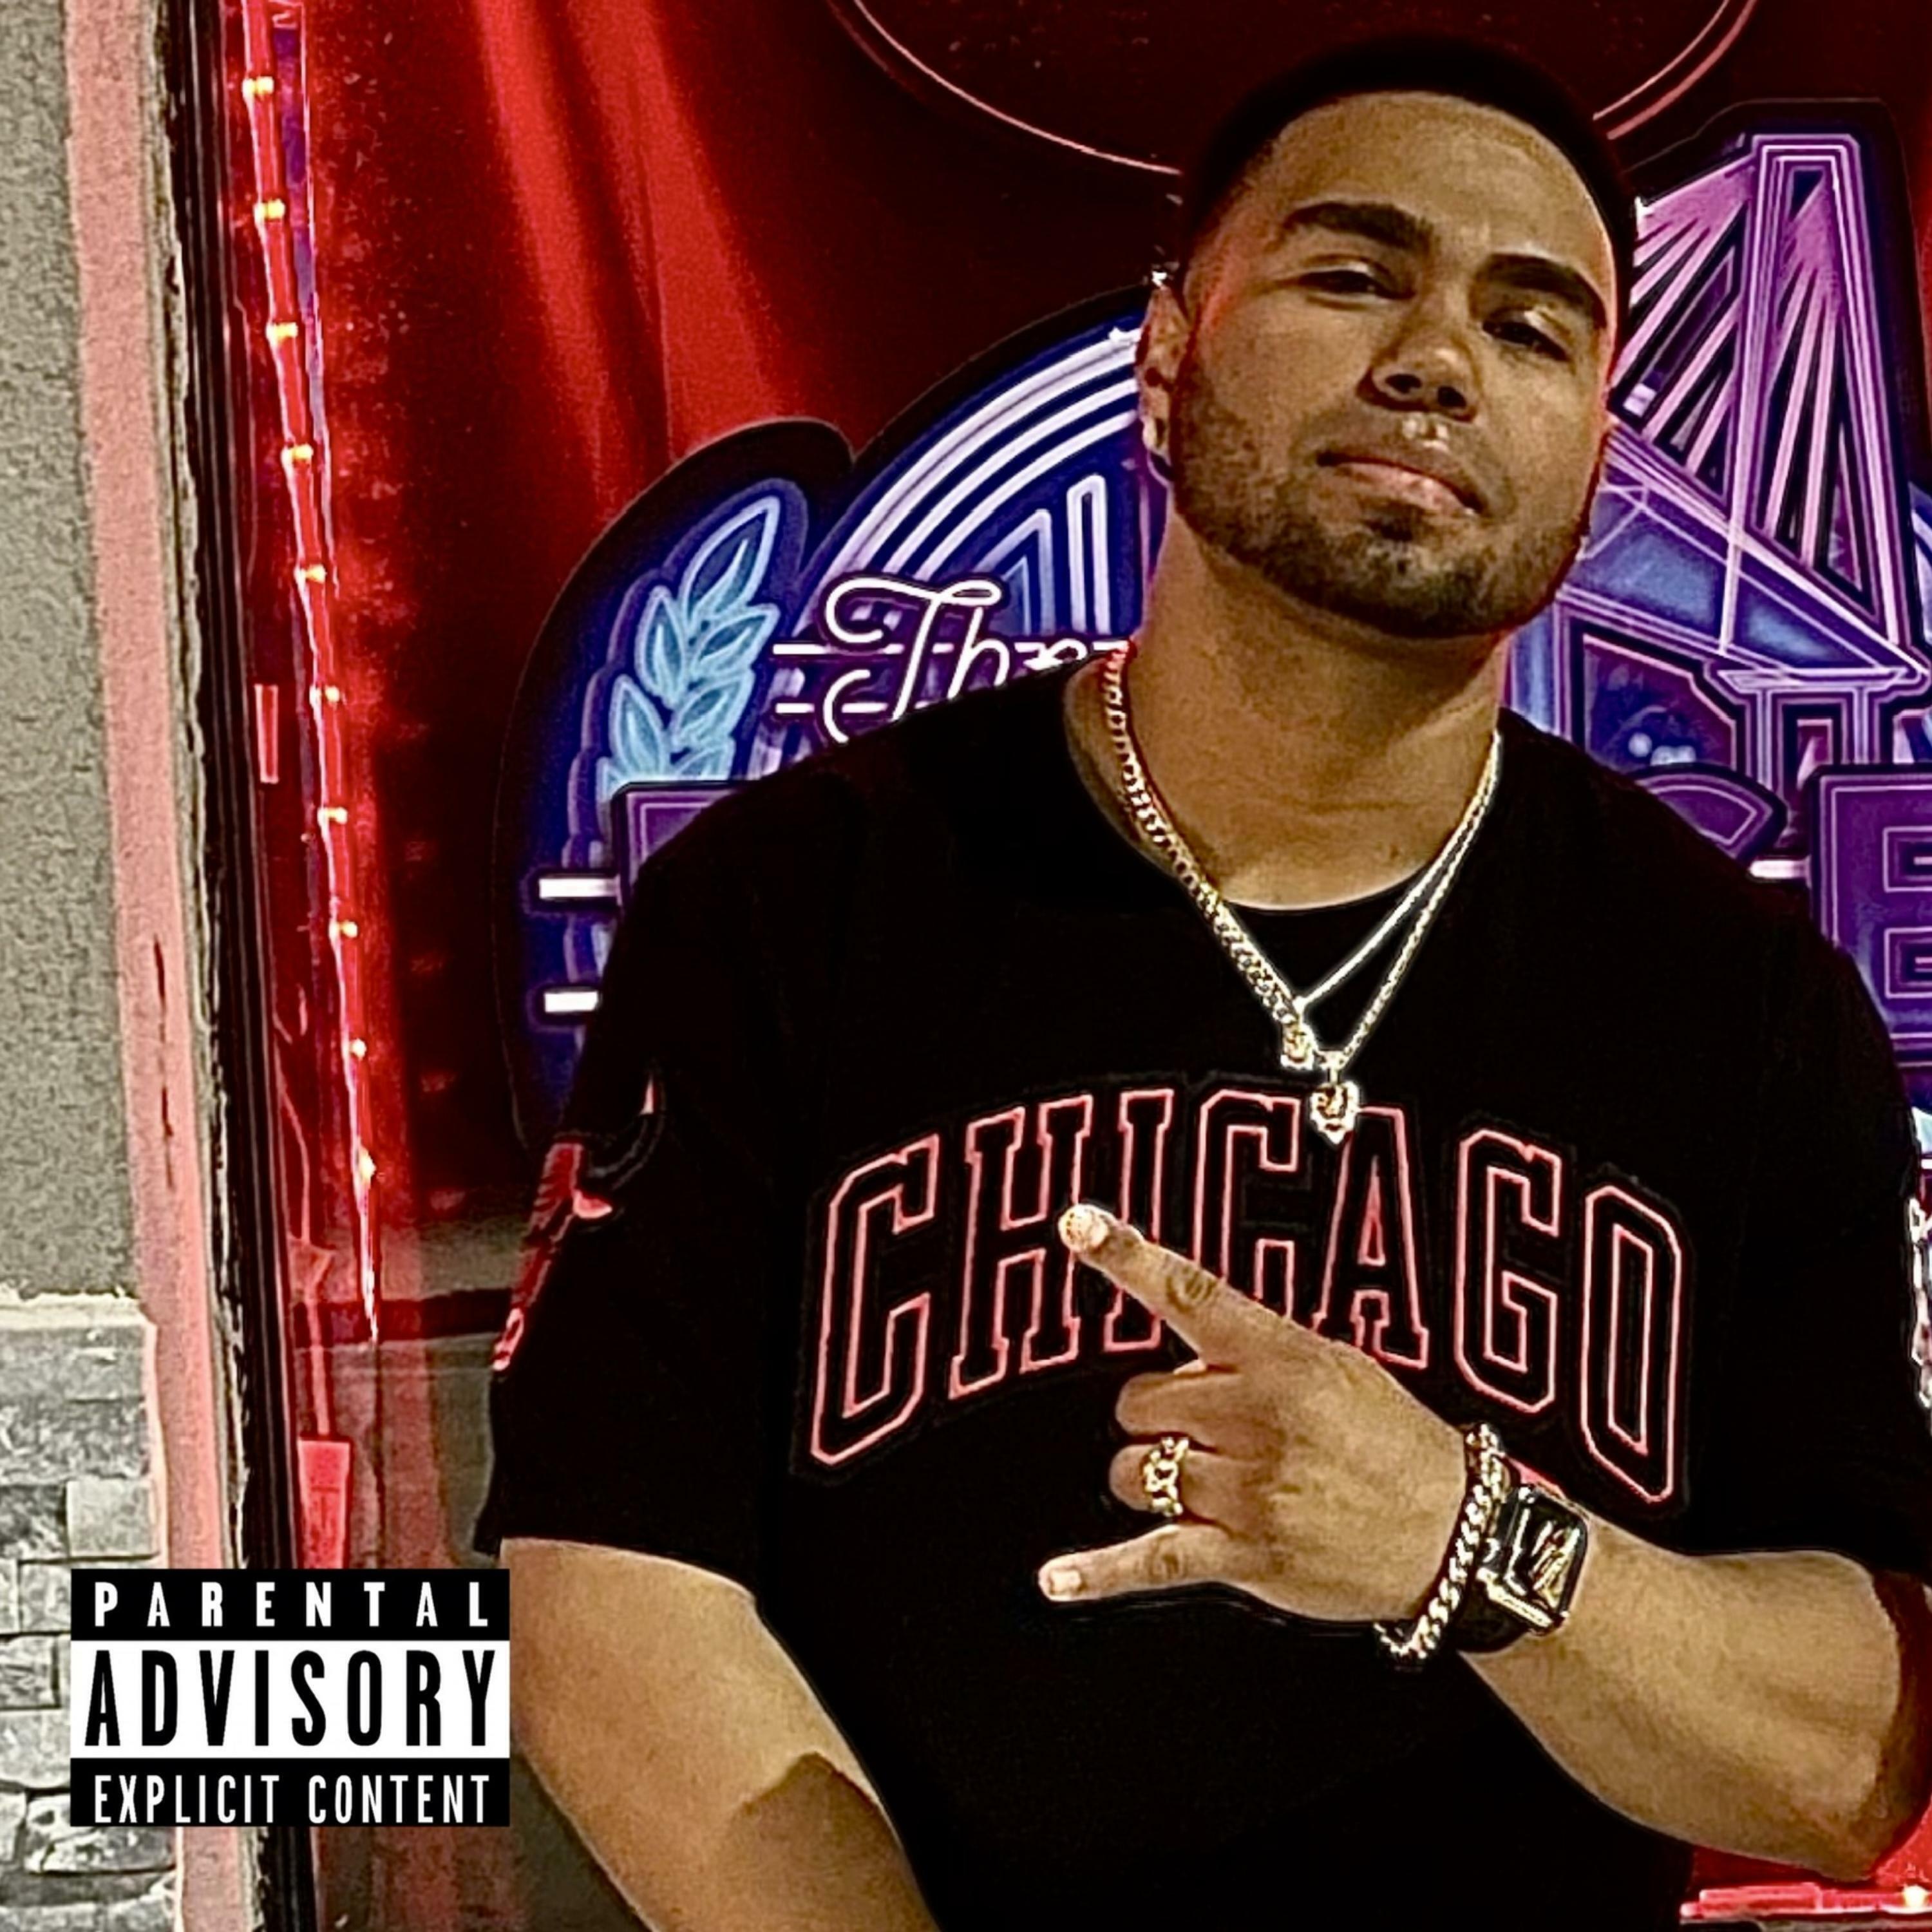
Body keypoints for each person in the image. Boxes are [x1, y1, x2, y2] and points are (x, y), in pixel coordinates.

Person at [477, 33, 1932, 1931]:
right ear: (1169, 353)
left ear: (1597, 442)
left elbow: (1851, 1767)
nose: (1436, 359)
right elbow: (601, 1585)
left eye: (1531, 325)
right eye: (1353, 275)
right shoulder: (792, 904)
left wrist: (1465, 1537)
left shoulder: (1741, 1004)